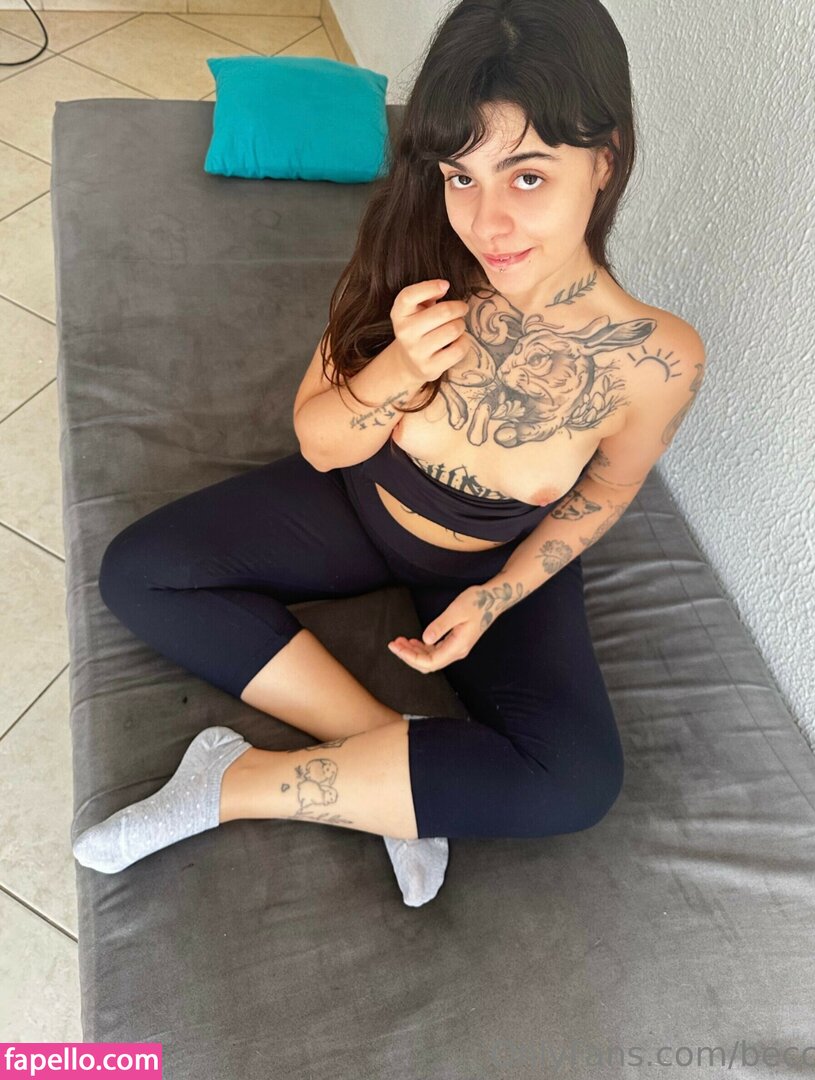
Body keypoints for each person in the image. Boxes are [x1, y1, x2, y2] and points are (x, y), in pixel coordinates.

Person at [71, 0, 705, 906]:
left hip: (485, 561)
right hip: (355, 506)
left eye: (527, 176)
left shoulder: (656, 358)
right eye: (460, 176)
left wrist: (494, 597)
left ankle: (234, 782)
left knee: (574, 784)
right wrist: (399, 368)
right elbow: (319, 443)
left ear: (602, 160)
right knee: (140, 571)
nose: (487, 222)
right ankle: (381, 754)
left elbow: (604, 491)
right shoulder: (411, 260)